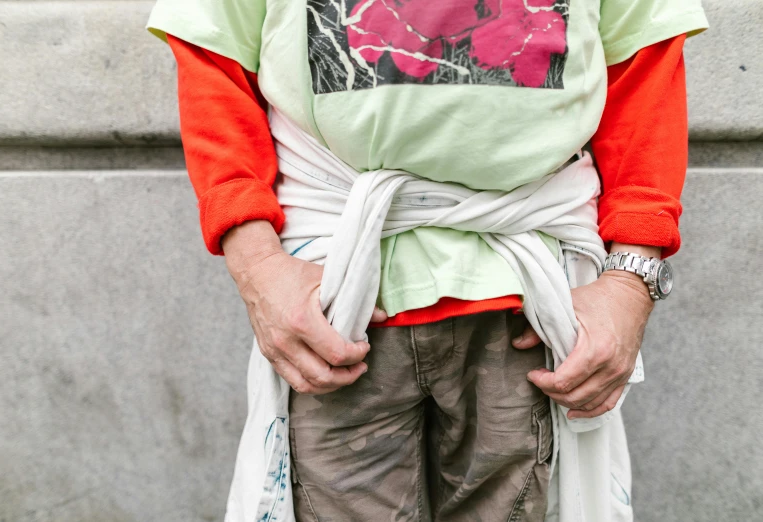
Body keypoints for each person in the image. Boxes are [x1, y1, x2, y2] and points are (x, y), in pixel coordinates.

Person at [147, 1, 707, 520]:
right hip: (336, 299)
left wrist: (631, 282)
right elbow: (215, 58)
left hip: (526, 302)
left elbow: (643, 68)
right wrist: (259, 268)